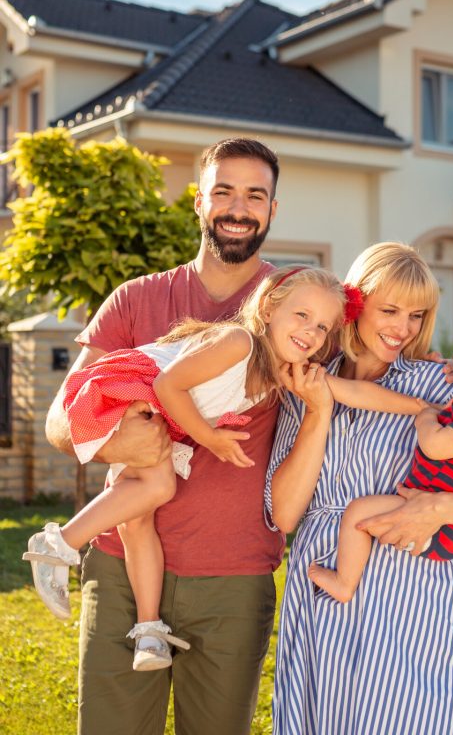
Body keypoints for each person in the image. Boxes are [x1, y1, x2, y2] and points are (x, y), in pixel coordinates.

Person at [31, 266, 426, 669]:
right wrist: (209, 437)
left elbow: (353, 392)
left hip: (160, 415)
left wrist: (424, 407)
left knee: (138, 516)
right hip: (130, 393)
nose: (310, 332)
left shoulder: (281, 372)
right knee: (156, 490)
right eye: (301, 315)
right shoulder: (238, 342)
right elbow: (168, 385)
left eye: (323, 327)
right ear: (270, 308)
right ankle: (58, 545)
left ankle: (149, 630)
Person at [45, 137, 284, 735]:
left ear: (272, 210)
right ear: (198, 201)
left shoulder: (293, 309)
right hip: (121, 565)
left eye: (255, 195)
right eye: (223, 191)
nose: (238, 207)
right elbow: (59, 417)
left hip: (234, 573)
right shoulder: (137, 298)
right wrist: (118, 445)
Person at [267, 242, 453, 735]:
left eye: (417, 314)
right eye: (389, 310)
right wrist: (318, 411)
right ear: (355, 303)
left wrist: (443, 506)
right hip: (326, 586)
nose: (403, 328)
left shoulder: (442, 385)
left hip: (413, 591)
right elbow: (285, 516)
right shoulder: (306, 384)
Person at [308, 316, 453, 603]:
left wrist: (425, 417)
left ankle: (344, 583)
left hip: (441, 528)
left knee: (358, 512)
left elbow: (435, 446)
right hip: (430, 510)